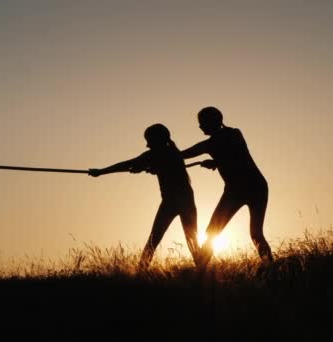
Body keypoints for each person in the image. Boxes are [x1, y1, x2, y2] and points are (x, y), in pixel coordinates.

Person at [89, 124, 200, 269]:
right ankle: (203, 271)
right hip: (185, 201)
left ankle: (142, 271)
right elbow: (136, 164)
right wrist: (145, 167)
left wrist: (102, 171)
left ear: (157, 140)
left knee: (155, 240)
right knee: (190, 240)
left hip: (172, 203)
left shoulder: (160, 154)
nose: (147, 144)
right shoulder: (172, 152)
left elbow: (128, 164)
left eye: (150, 140)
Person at [182, 106, 273, 269]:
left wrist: (215, 162)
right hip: (250, 188)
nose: (200, 126)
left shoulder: (231, 135)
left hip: (245, 189)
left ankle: (200, 271)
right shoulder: (222, 138)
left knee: (217, 231)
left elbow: (236, 157)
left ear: (213, 122)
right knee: (252, 233)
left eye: (202, 123)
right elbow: (182, 155)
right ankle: (270, 267)